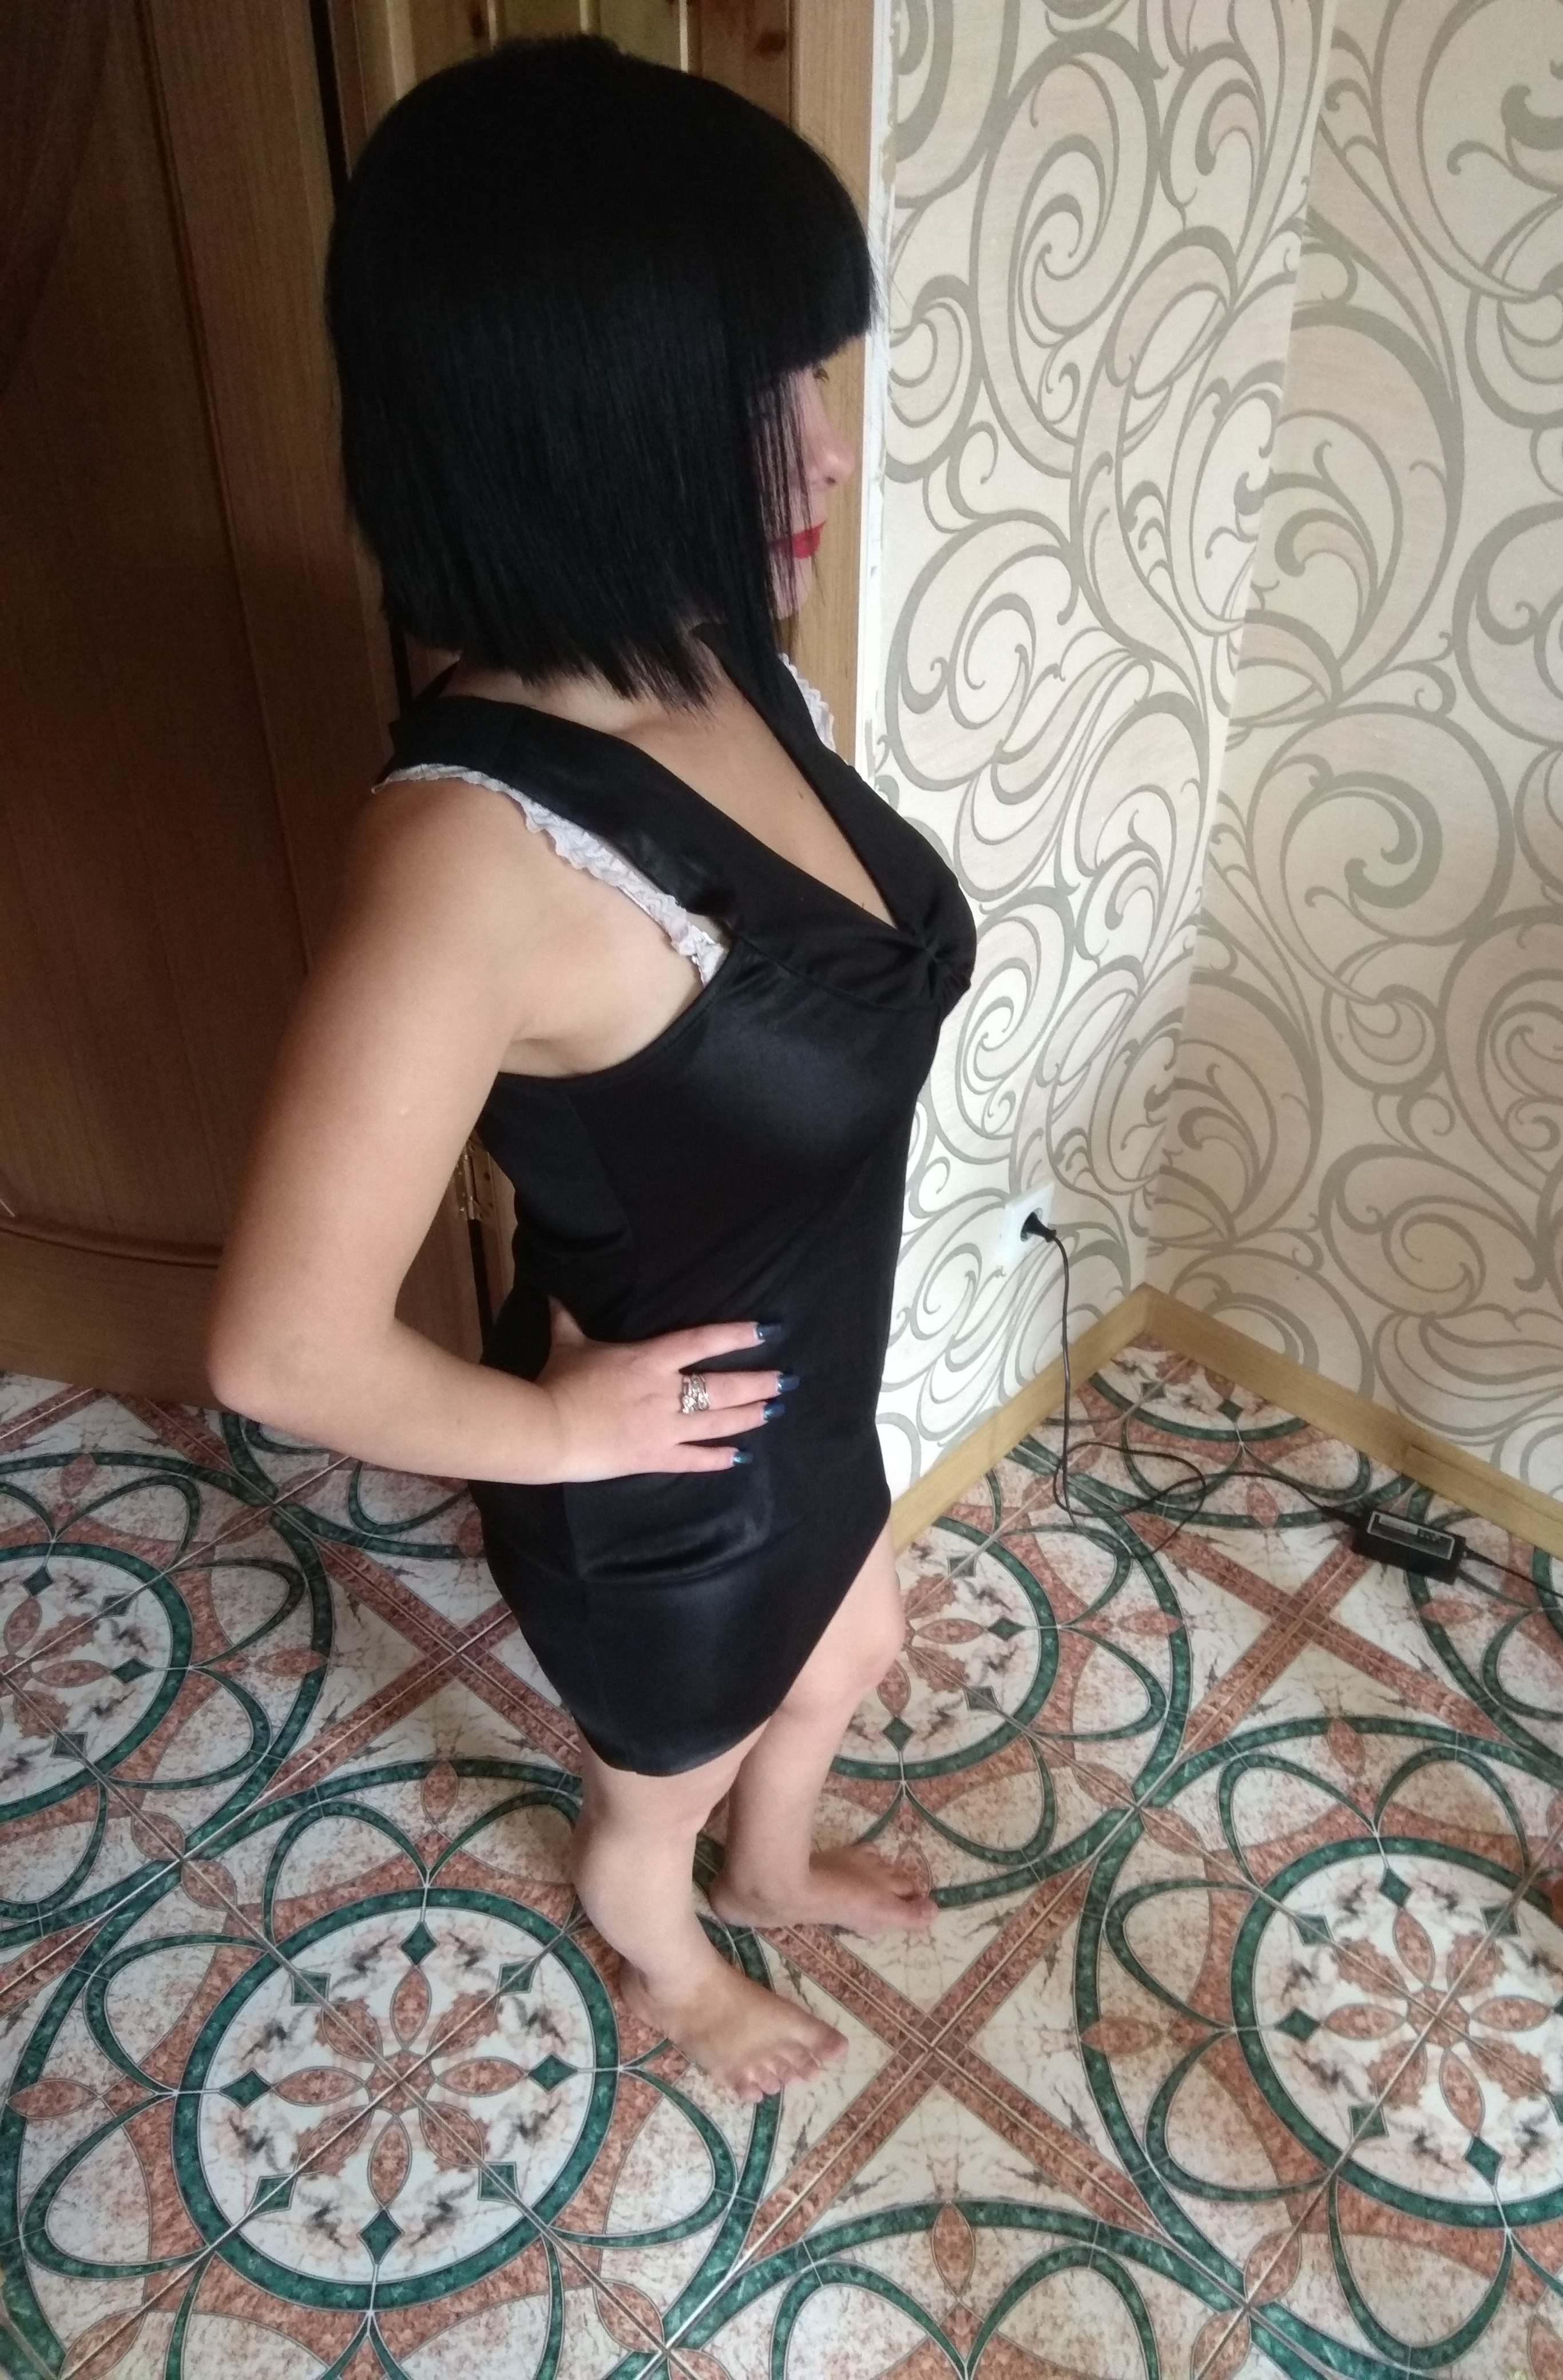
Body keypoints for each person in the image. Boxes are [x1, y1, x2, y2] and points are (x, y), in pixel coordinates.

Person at [208, 35, 974, 2102]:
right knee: (665, 1780)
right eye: (763, 404)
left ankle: (773, 1872)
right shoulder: (473, 859)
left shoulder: (718, 652)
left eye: (814, 382)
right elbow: (277, 1349)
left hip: (817, 1394)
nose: (827, 461)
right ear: (574, 426)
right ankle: (660, 1930)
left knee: (861, 1650)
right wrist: (560, 1434)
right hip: (668, 1494)